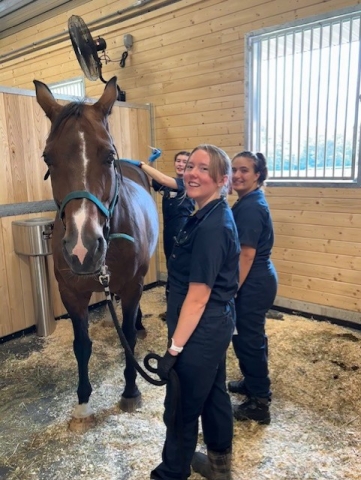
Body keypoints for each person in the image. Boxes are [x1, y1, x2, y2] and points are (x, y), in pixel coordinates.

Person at [150, 145, 240, 480]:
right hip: (213, 326)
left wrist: (174, 349)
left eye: (203, 168)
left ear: (222, 180)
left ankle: (171, 473)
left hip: (201, 327)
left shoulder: (213, 226)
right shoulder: (203, 212)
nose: (192, 173)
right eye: (190, 166)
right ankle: (219, 465)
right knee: (214, 392)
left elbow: (198, 297)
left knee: (181, 407)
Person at [228, 151, 278, 425]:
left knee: (249, 340)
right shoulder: (247, 200)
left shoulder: (250, 206)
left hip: (253, 282)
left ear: (258, 175)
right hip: (257, 279)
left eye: (244, 170)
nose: (237, 175)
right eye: (234, 169)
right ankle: (251, 382)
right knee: (247, 337)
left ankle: (260, 402)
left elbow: (246, 254)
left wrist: (232, 288)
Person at [140, 151, 195, 318]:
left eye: (184, 162)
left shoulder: (187, 182)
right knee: (172, 267)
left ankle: (181, 310)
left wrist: (142, 164)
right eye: (178, 160)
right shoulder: (171, 184)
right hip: (170, 229)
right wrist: (150, 163)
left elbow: (163, 179)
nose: (180, 164)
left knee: (178, 269)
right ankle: (173, 309)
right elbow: (152, 182)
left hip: (182, 229)